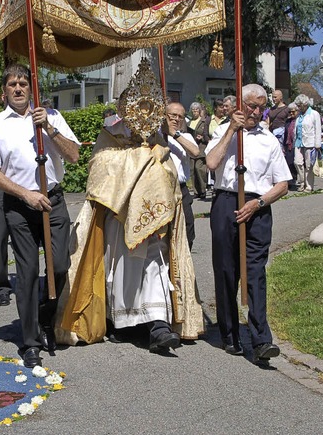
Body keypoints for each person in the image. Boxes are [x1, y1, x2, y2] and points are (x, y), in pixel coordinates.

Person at [55, 59, 204, 353]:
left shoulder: (159, 141)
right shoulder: (111, 136)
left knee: (155, 268)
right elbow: (100, 170)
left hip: (155, 220)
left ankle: (159, 325)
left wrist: (157, 171)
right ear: (127, 110)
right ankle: (122, 322)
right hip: (118, 219)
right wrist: (139, 161)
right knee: (120, 271)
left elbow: (169, 174)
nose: (144, 118)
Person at [0, 63, 80, 368]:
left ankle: (46, 316)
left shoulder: (52, 117)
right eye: (12, 84)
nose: (18, 88)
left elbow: (73, 156)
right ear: (4, 91)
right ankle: (31, 340)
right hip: (20, 206)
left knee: (59, 265)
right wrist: (25, 194)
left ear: (31, 87)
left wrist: (49, 127)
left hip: (53, 201)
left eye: (23, 83)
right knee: (27, 272)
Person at [205, 83, 292, 365]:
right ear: (239, 106)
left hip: (257, 204)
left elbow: (283, 184)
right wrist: (232, 130)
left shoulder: (269, 139)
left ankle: (261, 339)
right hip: (227, 202)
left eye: (261, 106)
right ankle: (230, 333)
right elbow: (211, 162)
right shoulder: (222, 132)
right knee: (227, 270)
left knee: (255, 273)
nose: (256, 111)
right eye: (251, 105)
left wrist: (259, 203)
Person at [162, 102, 200, 250]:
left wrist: (174, 134)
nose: (176, 119)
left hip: (181, 189)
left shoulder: (185, 136)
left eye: (180, 117)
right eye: (172, 115)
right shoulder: (156, 136)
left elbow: (195, 152)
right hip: (162, 189)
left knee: (188, 230)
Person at [293, 94, 322, 192]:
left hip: (310, 142)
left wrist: (317, 144)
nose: (298, 107)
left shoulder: (314, 114)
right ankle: (302, 182)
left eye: (299, 105)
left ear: (305, 104)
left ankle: (309, 185)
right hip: (298, 142)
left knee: (309, 165)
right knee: (297, 162)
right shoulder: (298, 115)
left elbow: (318, 129)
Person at [188, 102, 210, 199]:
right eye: (193, 110)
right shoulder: (189, 122)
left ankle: (203, 190)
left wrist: (202, 138)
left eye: (196, 110)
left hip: (201, 148)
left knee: (199, 168)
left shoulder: (204, 121)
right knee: (192, 169)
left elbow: (206, 133)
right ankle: (196, 191)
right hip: (191, 148)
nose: (195, 112)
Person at [283, 103, 299, 188]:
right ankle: (291, 179)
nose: (291, 114)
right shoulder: (288, 121)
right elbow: (286, 133)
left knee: (295, 162)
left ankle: (296, 178)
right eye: (289, 112)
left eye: (293, 112)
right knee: (289, 162)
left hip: (297, 144)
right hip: (288, 144)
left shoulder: (299, 120)